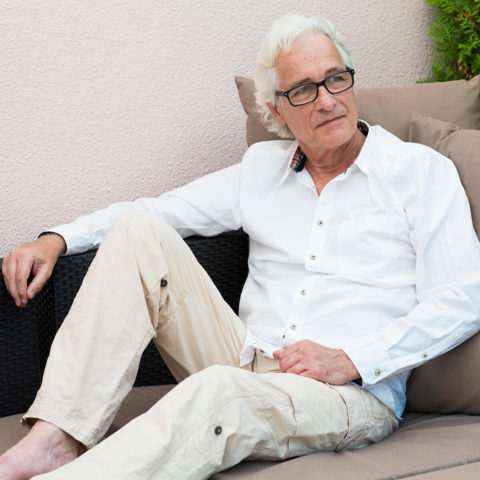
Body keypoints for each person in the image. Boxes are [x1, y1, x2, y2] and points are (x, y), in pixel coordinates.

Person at [1, 13, 480, 480]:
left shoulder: (419, 172)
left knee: (222, 390)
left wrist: (353, 358)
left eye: (336, 79)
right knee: (137, 231)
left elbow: (464, 296)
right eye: (303, 89)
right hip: (246, 361)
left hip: (348, 394)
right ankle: (56, 437)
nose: (326, 100)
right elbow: (159, 210)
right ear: (277, 111)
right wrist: (57, 239)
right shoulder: (261, 169)